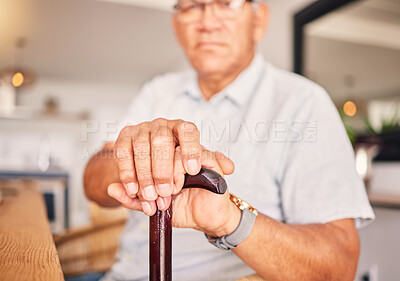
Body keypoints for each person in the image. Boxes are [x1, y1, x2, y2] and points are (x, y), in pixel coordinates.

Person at [83, 0, 375, 280]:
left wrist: (231, 220)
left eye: (226, 3)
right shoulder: (156, 91)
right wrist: (135, 161)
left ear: (259, 20)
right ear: (176, 24)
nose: (207, 22)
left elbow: (339, 266)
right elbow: (93, 181)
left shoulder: (303, 104)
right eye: (192, 5)